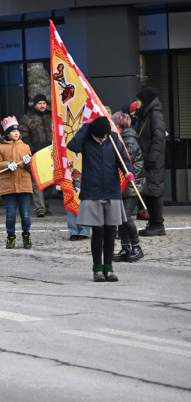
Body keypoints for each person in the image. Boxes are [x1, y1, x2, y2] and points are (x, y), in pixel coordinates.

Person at [68, 116, 135, 282]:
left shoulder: (112, 139)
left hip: (112, 191)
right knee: (98, 232)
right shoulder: (86, 140)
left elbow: (123, 159)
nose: (102, 139)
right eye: (99, 137)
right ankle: (97, 269)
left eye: (104, 136)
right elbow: (72, 146)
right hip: (93, 192)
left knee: (111, 232)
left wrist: (127, 170)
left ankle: (109, 269)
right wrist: (86, 128)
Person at [0, 116, 33, 249]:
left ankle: (26, 234)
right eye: (13, 131)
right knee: (10, 215)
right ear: (7, 133)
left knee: (25, 214)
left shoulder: (26, 147)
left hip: (24, 185)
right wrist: (7, 164)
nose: (16, 133)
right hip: (8, 186)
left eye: (18, 131)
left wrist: (28, 163)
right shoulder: (1, 148)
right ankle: (11, 236)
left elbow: (30, 167)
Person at [112, 111, 145, 262]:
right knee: (121, 218)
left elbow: (128, 164)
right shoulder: (120, 139)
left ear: (118, 125)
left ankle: (136, 247)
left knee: (126, 217)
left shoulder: (128, 141)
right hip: (123, 185)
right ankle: (125, 247)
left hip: (131, 185)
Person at [134, 87, 166, 236]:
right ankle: (153, 223)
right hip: (146, 158)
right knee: (147, 191)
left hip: (152, 160)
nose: (136, 102)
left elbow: (158, 138)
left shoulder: (155, 114)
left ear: (145, 100)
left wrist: (151, 159)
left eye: (139, 99)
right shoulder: (145, 114)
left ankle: (158, 224)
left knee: (154, 191)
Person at [19, 94, 53, 217]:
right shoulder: (27, 118)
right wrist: (31, 150)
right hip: (36, 152)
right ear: (35, 104)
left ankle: (46, 204)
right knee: (36, 181)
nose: (42, 105)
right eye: (39, 103)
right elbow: (24, 135)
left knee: (50, 180)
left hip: (50, 152)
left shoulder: (51, 115)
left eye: (44, 103)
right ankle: (40, 207)